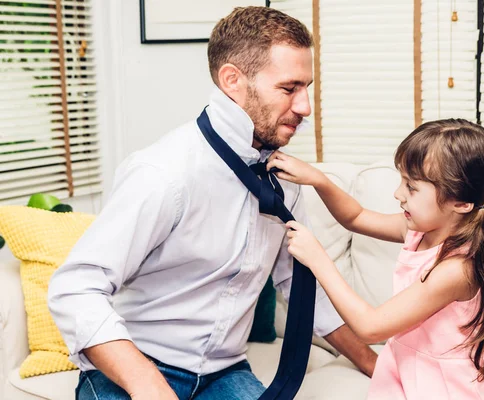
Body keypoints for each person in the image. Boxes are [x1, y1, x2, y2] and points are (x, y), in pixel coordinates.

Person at [48, 6, 377, 400]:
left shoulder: (283, 181)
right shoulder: (164, 173)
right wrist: (149, 386)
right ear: (233, 80)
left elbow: (299, 284)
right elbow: (75, 287)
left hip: (224, 372)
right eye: (289, 89)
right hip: (137, 366)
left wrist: (376, 364)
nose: (306, 107)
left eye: (307, 87)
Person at [267, 119, 484, 399]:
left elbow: (370, 327)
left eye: (412, 187)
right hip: (409, 369)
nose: (398, 194)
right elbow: (356, 217)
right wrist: (318, 179)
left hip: (447, 387)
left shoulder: (456, 270)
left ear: (460, 203)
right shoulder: (417, 230)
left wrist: (318, 260)